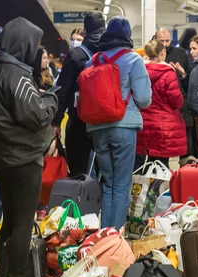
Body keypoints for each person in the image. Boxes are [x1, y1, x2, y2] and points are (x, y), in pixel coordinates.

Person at [0, 18, 58, 277]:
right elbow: (35, 115)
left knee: (9, 222)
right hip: (23, 158)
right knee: (24, 222)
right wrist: (50, 101)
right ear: (23, 43)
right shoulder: (18, 76)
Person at [85, 16, 152, 229]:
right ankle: (115, 239)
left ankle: (104, 235)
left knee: (108, 184)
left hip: (97, 128)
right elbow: (143, 99)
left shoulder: (94, 60)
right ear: (128, 36)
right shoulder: (133, 60)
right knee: (122, 185)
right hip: (124, 126)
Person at [52, 13, 105, 175]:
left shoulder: (76, 55)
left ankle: (81, 199)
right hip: (108, 120)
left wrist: (56, 122)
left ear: (85, 29)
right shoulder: (112, 52)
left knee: (78, 171)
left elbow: (63, 91)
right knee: (105, 174)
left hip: (80, 120)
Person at [135, 39, 187, 168]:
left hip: (143, 124)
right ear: (162, 52)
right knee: (160, 167)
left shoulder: (138, 72)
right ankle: (156, 188)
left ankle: (141, 188)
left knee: (140, 166)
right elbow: (176, 102)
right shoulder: (168, 73)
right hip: (163, 127)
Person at [177, 27, 198, 159]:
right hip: (192, 99)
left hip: (184, 99)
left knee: (188, 135)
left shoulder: (180, 53)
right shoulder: (191, 57)